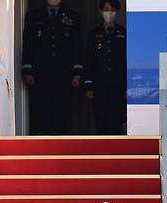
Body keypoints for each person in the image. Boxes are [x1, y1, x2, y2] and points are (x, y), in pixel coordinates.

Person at [22, 0, 83, 135]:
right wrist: (27, 70)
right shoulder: (33, 16)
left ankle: (62, 147)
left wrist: (77, 73)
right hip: (40, 74)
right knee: (41, 111)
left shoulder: (72, 16)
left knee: (62, 111)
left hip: (64, 75)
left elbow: (77, 46)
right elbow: (28, 44)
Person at [84, 0, 127, 135]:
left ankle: (117, 152)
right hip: (99, 85)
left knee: (116, 118)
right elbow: (89, 60)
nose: (109, 13)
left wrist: (127, 86)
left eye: (112, 10)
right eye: (106, 10)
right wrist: (89, 86)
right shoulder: (94, 34)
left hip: (117, 85)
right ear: (101, 11)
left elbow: (125, 61)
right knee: (100, 118)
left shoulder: (123, 33)